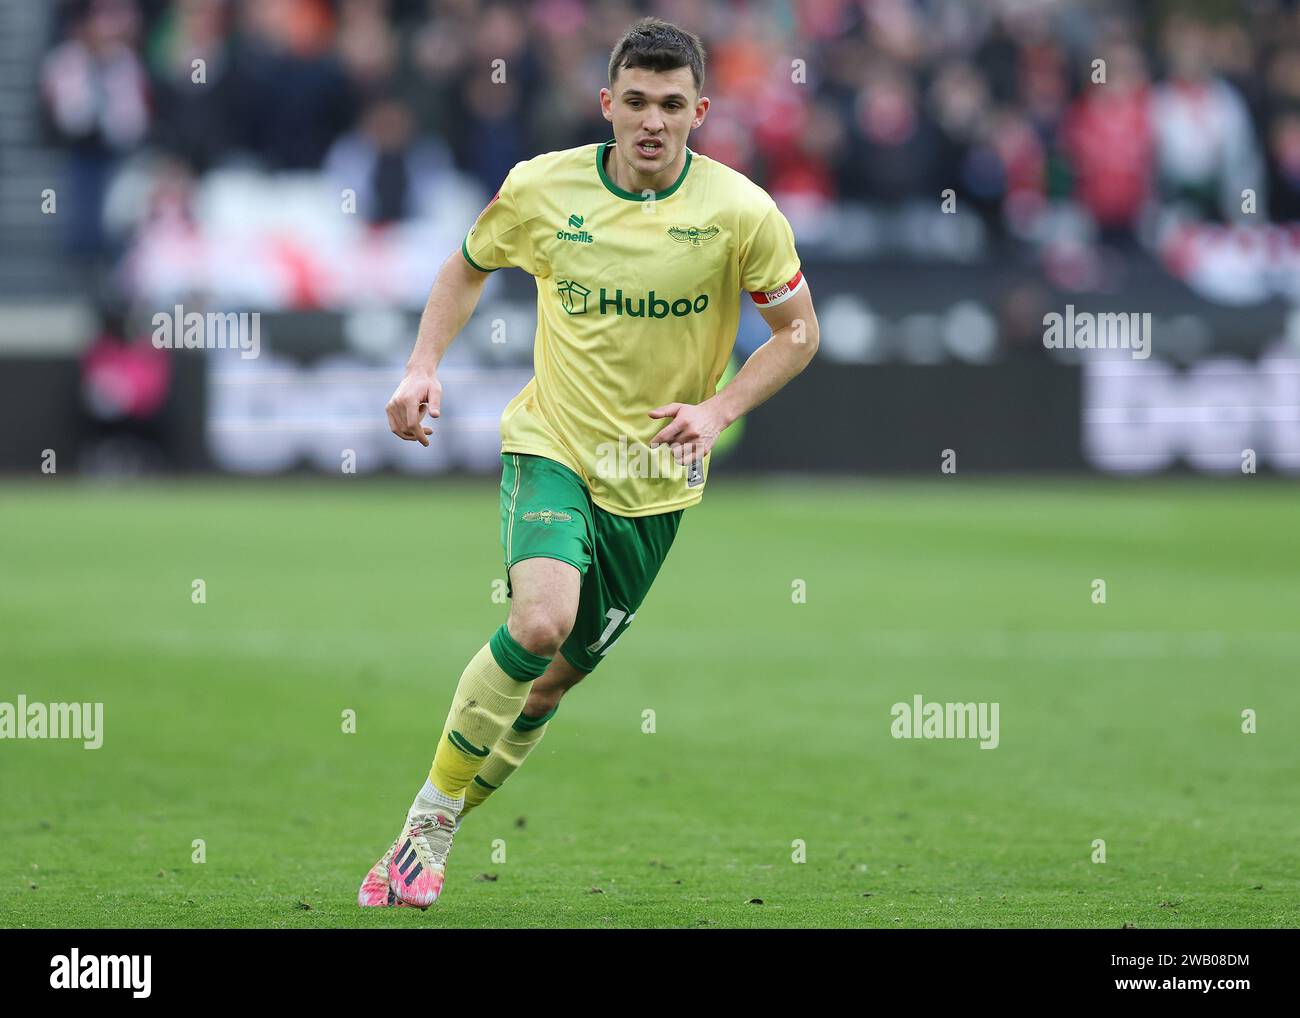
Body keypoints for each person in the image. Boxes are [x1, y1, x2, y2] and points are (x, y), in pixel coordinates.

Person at [360, 16, 819, 909]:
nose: (653, 121)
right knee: (539, 624)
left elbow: (798, 333)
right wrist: (421, 367)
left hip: (655, 489)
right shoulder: (541, 188)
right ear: (608, 104)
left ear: (701, 111)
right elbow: (465, 267)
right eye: (637, 102)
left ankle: (435, 819)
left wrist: (719, 407)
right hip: (555, 446)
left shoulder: (741, 213)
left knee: (552, 683)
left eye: (673, 105)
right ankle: (430, 825)